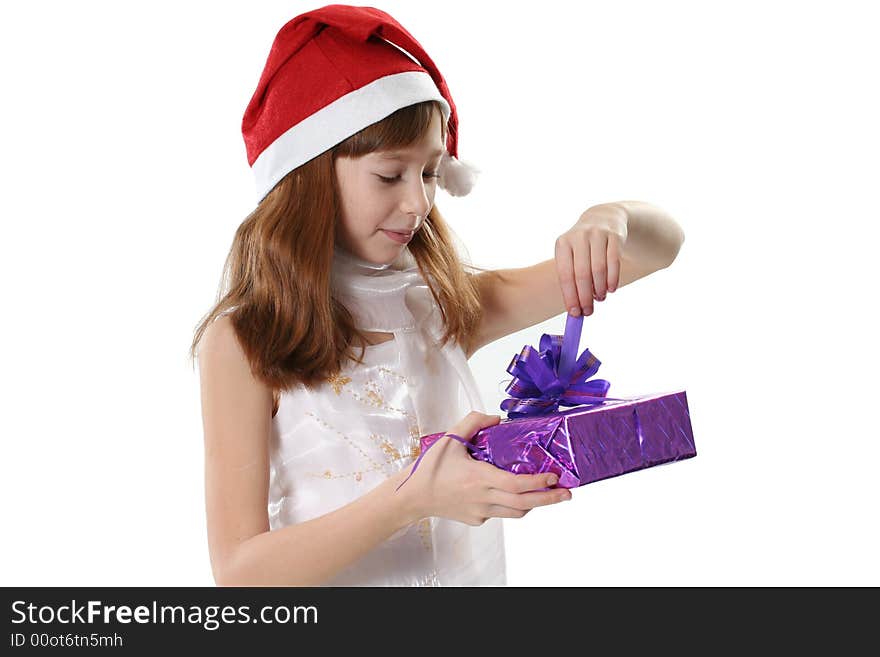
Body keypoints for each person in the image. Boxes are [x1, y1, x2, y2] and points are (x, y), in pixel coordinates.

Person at [190, 5, 684, 586]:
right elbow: (240, 572)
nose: (419, 203)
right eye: (389, 175)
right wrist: (412, 497)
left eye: (429, 174)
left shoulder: (443, 307)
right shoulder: (247, 337)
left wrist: (610, 217)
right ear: (309, 174)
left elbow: (659, 248)